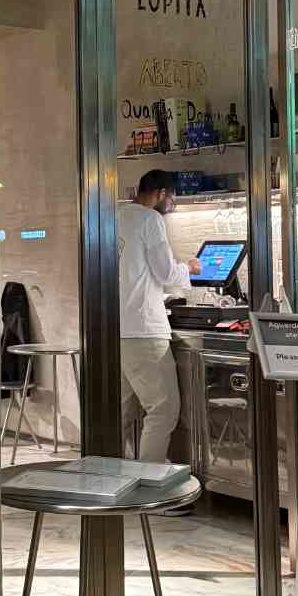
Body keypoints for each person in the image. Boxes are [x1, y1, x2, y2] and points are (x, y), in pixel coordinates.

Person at [116, 170, 202, 463]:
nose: (171, 205)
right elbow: (165, 272)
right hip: (143, 330)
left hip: (115, 329)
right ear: (161, 193)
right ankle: (150, 479)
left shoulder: (115, 217)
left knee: (120, 412)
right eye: (172, 199)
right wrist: (189, 268)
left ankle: (113, 477)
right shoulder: (150, 219)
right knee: (163, 409)